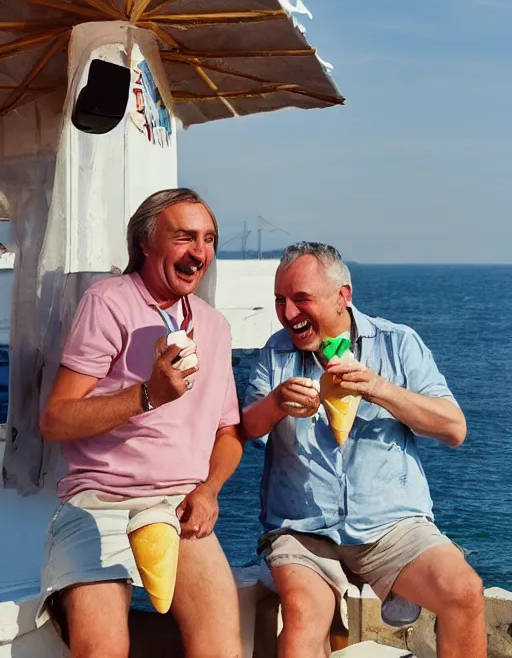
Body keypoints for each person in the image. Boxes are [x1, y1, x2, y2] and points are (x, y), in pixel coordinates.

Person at [242, 242, 485, 658]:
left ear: (343, 296)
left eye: (301, 299)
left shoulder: (397, 343)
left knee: (464, 592)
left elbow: (453, 428)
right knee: (304, 615)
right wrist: (275, 404)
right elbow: (245, 428)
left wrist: (380, 389)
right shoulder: (275, 353)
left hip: (392, 526)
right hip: (303, 529)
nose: (288, 314)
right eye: (281, 301)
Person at [38, 188, 243, 658]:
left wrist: (209, 490)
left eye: (209, 239)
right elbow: (55, 419)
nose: (200, 252)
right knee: (101, 650)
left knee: (221, 650)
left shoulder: (214, 326)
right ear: (146, 243)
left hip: (179, 508)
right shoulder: (108, 302)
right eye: (184, 237)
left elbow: (228, 433)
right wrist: (148, 394)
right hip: (101, 504)